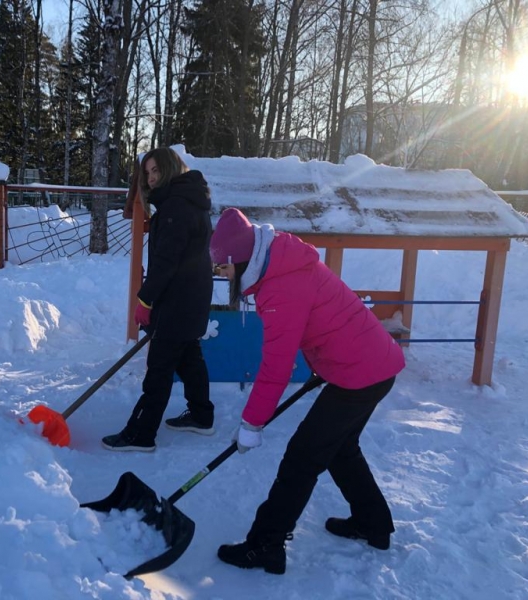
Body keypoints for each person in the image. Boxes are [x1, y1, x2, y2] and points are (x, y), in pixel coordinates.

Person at [209, 207, 405, 574]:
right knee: (340, 448)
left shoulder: (279, 286)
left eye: (222, 267)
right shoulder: (281, 262)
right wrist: (323, 364)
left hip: (361, 373)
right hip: (371, 366)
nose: (220, 274)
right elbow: (323, 321)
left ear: (240, 259)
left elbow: (275, 368)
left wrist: (252, 424)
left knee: (302, 457)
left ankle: (265, 545)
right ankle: (373, 523)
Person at [102, 147, 215, 452]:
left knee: (159, 369)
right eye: (147, 173)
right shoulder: (191, 199)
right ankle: (203, 416)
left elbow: (167, 262)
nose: (151, 179)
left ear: (170, 170)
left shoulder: (176, 206)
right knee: (190, 358)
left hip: (177, 301)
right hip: (192, 297)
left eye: (156, 171)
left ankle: (141, 434)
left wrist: (146, 301)